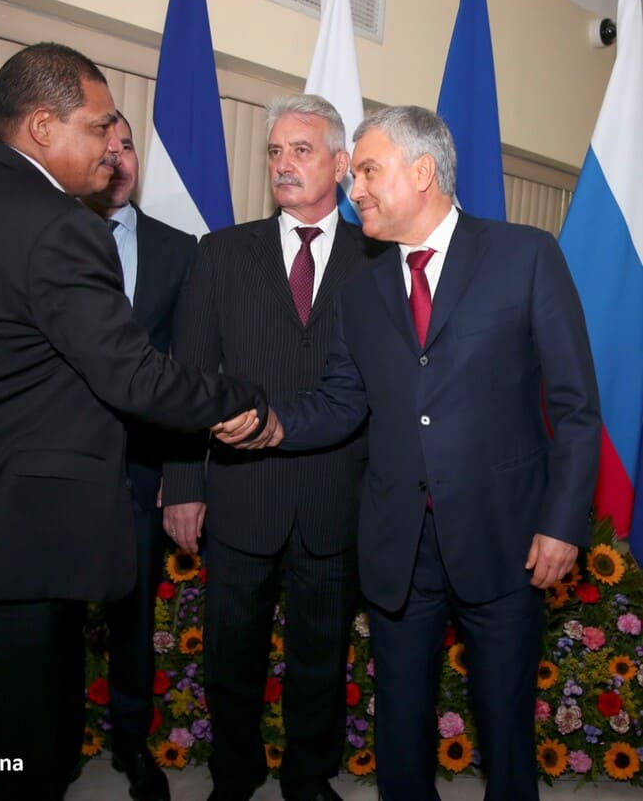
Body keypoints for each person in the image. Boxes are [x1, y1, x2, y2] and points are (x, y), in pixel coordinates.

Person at [0, 42, 266, 801]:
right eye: (99, 125)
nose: (113, 146)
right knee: (10, 759)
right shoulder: (57, 225)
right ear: (43, 127)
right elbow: (134, 374)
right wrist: (249, 400)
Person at [216, 105, 602, 801]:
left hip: (505, 539)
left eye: (368, 171)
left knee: (505, 732)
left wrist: (562, 523)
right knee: (398, 729)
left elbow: (575, 406)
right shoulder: (361, 291)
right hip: (398, 545)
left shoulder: (525, 256)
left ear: (422, 172)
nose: (354, 187)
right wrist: (270, 424)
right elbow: (341, 402)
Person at [163, 94, 384, 801]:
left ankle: (307, 776)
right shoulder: (222, 253)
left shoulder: (379, 259)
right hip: (241, 490)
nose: (283, 164)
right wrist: (184, 483)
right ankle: (235, 772)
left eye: (301, 150)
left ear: (341, 164)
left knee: (321, 655)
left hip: (336, 494)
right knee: (232, 653)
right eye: (274, 152)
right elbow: (189, 380)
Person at [84, 111, 196, 801]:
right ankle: (53, 741)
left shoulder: (177, 250)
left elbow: (186, 368)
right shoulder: (52, 234)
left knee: (131, 615)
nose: (119, 157)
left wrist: (179, 470)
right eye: (107, 145)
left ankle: (131, 744)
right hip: (60, 464)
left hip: (140, 468)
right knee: (53, 612)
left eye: (127, 145)